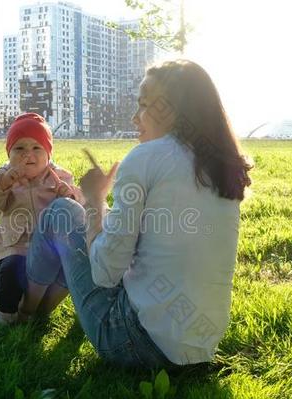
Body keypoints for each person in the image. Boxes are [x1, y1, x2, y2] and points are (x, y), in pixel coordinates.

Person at [20, 60, 253, 367]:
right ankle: (35, 309)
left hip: (132, 342)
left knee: (61, 212)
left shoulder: (145, 157)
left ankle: (20, 314)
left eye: (143, 105)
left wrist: (93, 200)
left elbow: (104, 273)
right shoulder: (222, 167)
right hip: (200, 348)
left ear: (171, 110)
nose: (135, 117)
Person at [0, 113, 83, 326]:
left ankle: (40, 309)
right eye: (20, 149)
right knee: (12, 271)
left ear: (49, 153)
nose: (28, 155)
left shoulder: (60, 177)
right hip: (16, 244)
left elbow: (79, 208)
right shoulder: (3, 176)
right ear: (9, 153)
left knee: (62, 272)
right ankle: (3, 315)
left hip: (48, 247)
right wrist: (1, 185)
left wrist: (68, 195)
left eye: (36, 148)